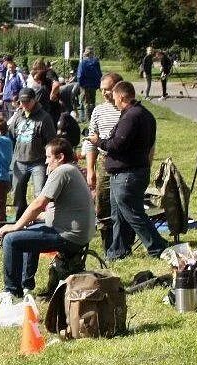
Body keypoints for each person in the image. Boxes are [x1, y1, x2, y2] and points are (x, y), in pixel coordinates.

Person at [0, 138, 96, 299]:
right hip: (78, 234)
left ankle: (11, 292)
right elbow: (57, 209)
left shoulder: (62, 171)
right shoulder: (72, 169)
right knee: (29, 231)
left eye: (49, 157)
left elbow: (39, 203)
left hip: (69, 236)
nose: (46, 161)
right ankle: (26, 285)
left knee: (11, 239)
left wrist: (16, 225)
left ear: (60, 157)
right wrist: (32, 219)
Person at [89, 80, 169, 260]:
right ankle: (118, 251)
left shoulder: (132, 116)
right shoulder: (145, 114)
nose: (113, 100)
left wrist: (98, 141)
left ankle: (158, 247)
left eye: (114, 96)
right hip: (132, 171)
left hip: (127, 174)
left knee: (133, 214)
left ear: (122, 96)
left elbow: (117, 145)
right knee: (119, 216)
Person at [82, 72, 124, 251]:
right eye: (102, 90)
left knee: (122, 203)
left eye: (107, 90)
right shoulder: (98, 111)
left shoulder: (126, 110)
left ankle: (123, 242)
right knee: (103, 204)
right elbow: (91, 142)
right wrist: (90, 170)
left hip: (124, 161)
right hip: (104, 161)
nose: (104, 94)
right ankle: (108, 244)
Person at [9, 87, 57, 219]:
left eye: (27, 101)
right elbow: (11, 135)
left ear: (34, 100)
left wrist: (51, 162)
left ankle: (42, 221)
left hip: (38, 162)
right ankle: (20, 220)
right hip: (19, 161)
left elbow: (52, 141)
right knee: (17, 195)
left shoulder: (45, 118)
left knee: (40, 194)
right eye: (21, 102)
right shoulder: (18, 116)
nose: (24, 104)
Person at [76, 47, 103, 120]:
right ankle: (93, 117)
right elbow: (99, 74)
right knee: (92, 102)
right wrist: (98, 85)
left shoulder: (83, 63)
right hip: (93, 86)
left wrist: (80, 84)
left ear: (86, 53)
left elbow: (80, 75)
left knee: (85, 102)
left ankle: (86, 118)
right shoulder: (96, 62)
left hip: (84, 86)